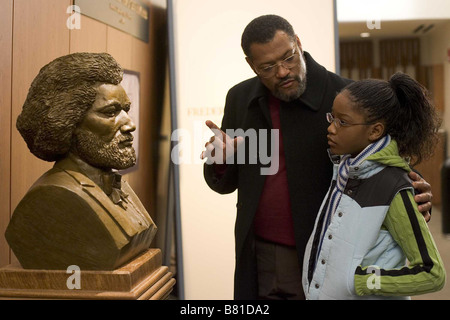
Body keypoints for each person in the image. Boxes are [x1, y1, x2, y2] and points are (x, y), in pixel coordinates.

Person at [201, 15, 433, 300]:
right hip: (258, 254)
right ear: (251, 65)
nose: (283, 71)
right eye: (268, 67)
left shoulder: (345, 97)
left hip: (324, 252)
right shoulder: (239, 98)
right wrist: (220, 159)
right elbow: (224, 184)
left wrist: (414, 189)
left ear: (298, 43)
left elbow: (386, 158)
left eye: (288, 58)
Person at [6, 52, 157, 270]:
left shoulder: (118, 184)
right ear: (68, 122)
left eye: (126, 110)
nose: (129, 124)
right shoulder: (52, 198)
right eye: (110, 112)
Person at [302, 72, 445, 299]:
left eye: (343, 122)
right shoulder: (345, 171)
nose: (331, 129)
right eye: (332, 118)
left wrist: (360, 281)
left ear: (375, 131)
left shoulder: (393, 187)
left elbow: (432, 273)